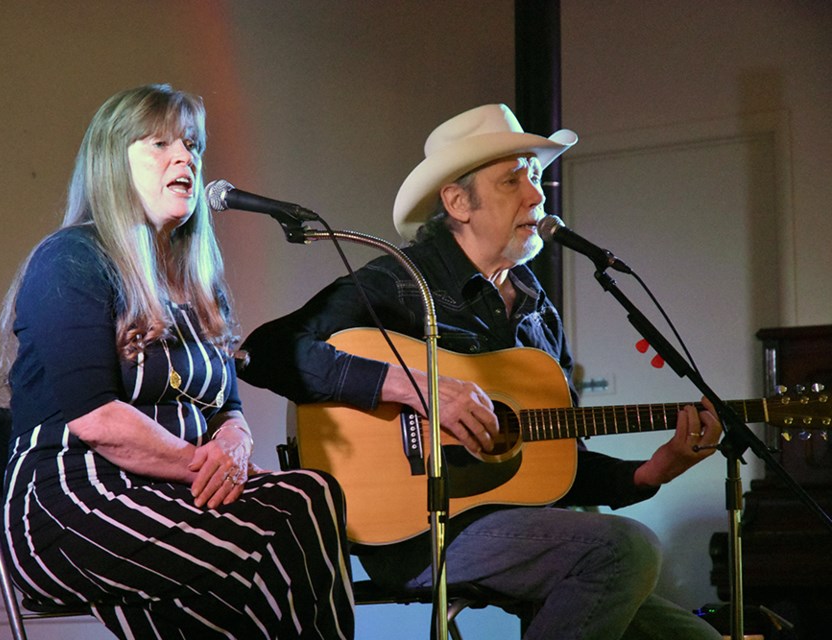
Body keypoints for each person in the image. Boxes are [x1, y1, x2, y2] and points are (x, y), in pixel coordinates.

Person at [238, 104, 724, 639]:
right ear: (457, 201)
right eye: (513, 180)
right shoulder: (401, 284)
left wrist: (651, 471)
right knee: (625, 548)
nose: (537, 197)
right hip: (418, 530)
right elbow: (265, 352)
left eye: (536, 178)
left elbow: (554, 465)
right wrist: (418, 387)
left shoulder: (537, 313)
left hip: (520, 524)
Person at [0, 84, 354, 640]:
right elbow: (97, 419)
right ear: (113, 165)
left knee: (314, 493)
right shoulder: (72, 259)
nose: (185, 157)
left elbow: (227, 406)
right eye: (160, 143)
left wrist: (235, 444)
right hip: (74, 502)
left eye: (191, 143)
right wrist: (207, 467)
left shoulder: (199, 283)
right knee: (290, 517)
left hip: (173, 496)